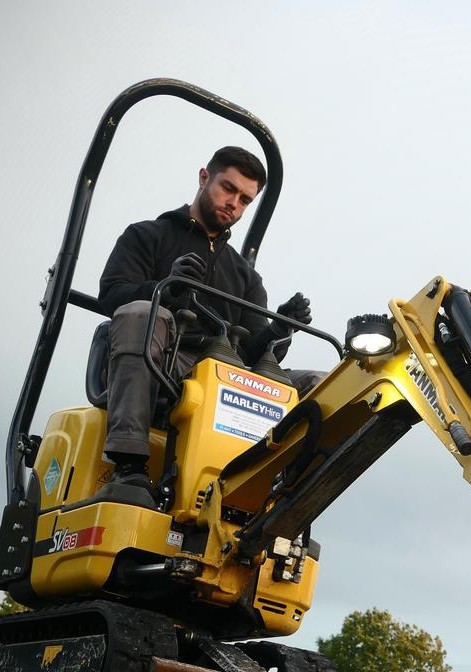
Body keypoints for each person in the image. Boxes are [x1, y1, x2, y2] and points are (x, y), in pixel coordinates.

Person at [95, 146, 314, 505]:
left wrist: (279, 328)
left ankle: (289, 497)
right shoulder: (148, 236)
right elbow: (112, 295)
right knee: (141, 312)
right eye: (228, 189)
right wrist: (165, 288)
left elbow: (252, 355)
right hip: (166, 366)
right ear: (203, 177)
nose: (234, 204)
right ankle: (130, 467)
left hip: (228, 377)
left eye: (245, 199)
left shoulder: (246, 277)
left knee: (325, 388)